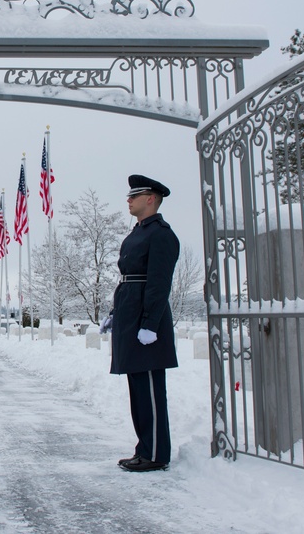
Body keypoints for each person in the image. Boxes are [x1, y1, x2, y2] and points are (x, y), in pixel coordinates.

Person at [111, 175, 180, 473]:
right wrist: (117, 314)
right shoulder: (137, 233)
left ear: (150, 198)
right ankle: (144, 448)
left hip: (146, 319)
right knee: (138, 387)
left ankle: (156, 453)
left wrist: (151, 323)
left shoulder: (161, 234)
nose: (128, 199)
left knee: (150, 388)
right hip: (131, 314)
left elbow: (159, 283)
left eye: (134, 195)